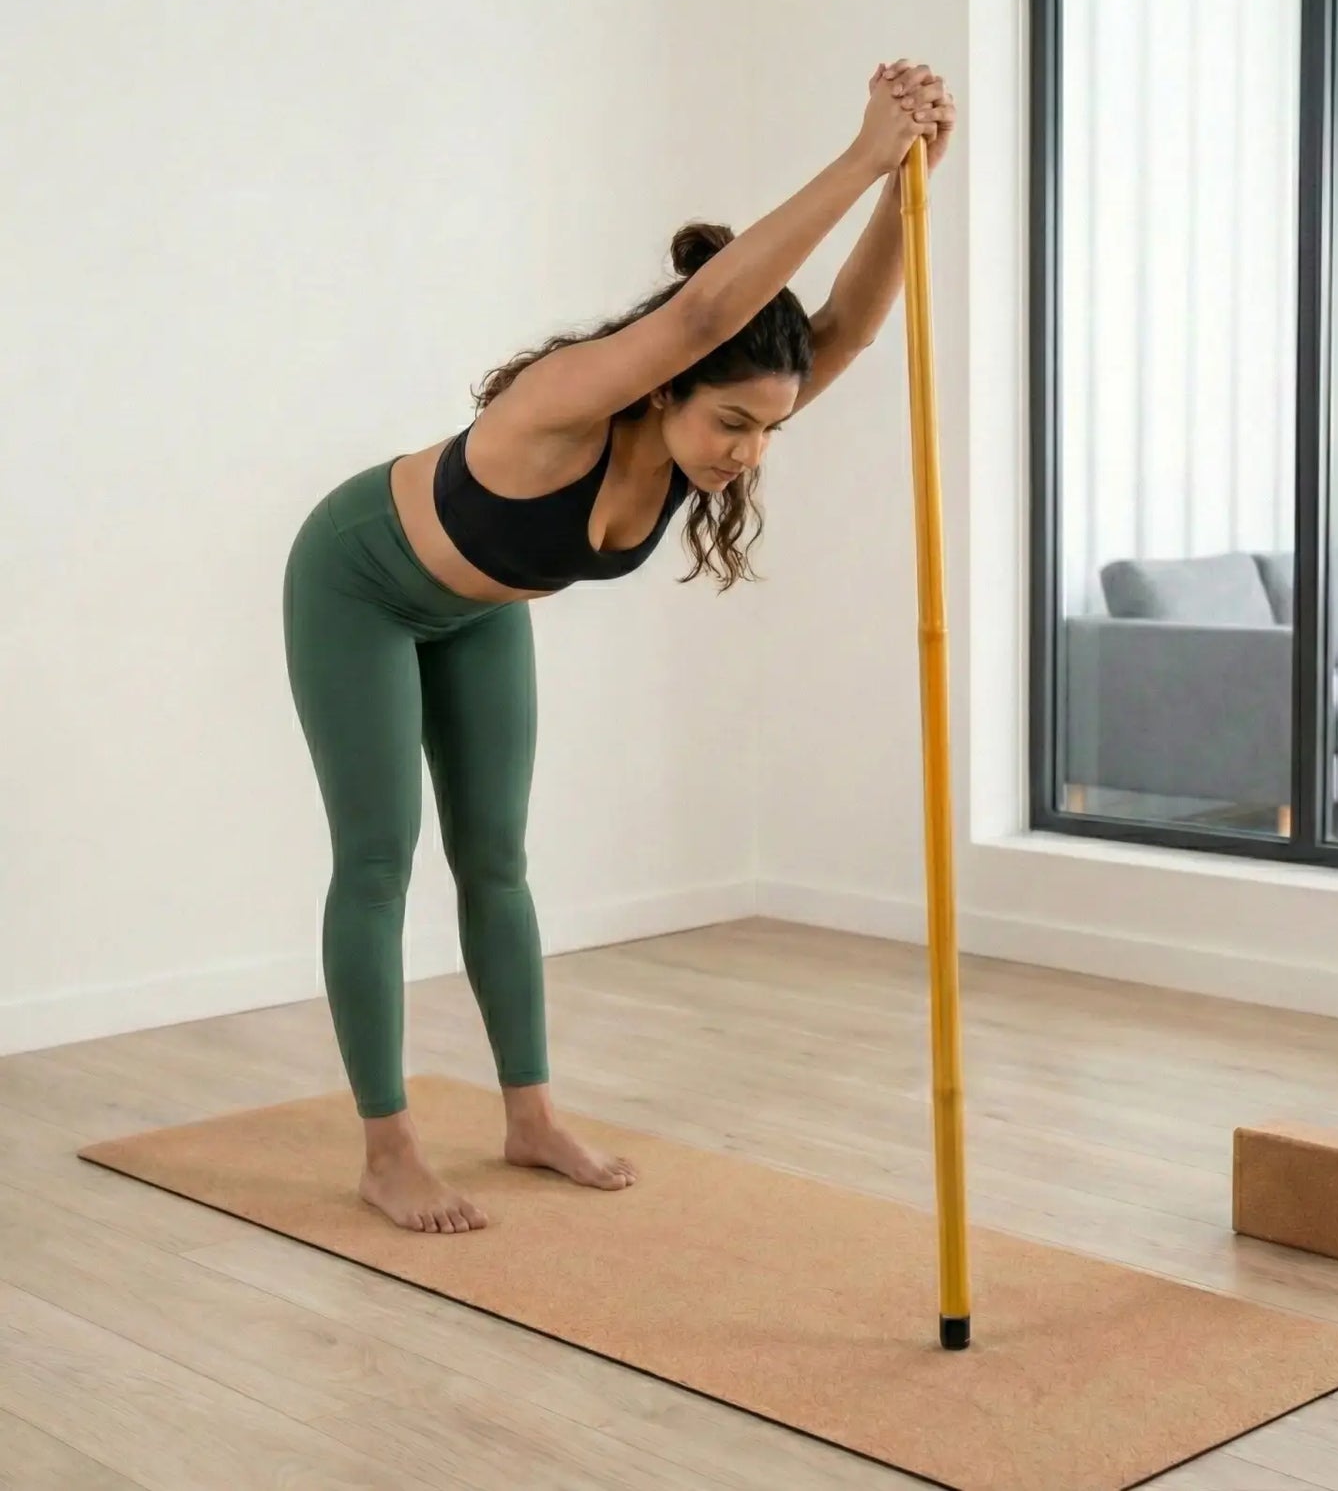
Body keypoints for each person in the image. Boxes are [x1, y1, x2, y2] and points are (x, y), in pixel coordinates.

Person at [282, 61, 957, 1234]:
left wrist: (909, 181)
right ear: (660, 391)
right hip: (359, 585)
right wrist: (857, 154)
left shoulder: (725, 413)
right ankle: (387, 1149)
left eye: (768, 432)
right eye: (731, 423)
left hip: (478, 607)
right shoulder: (566, 402)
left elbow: (839, 328)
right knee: (380, 862)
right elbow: (699, 316)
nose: (747, 453)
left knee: (496, 861)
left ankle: (528, 1116)